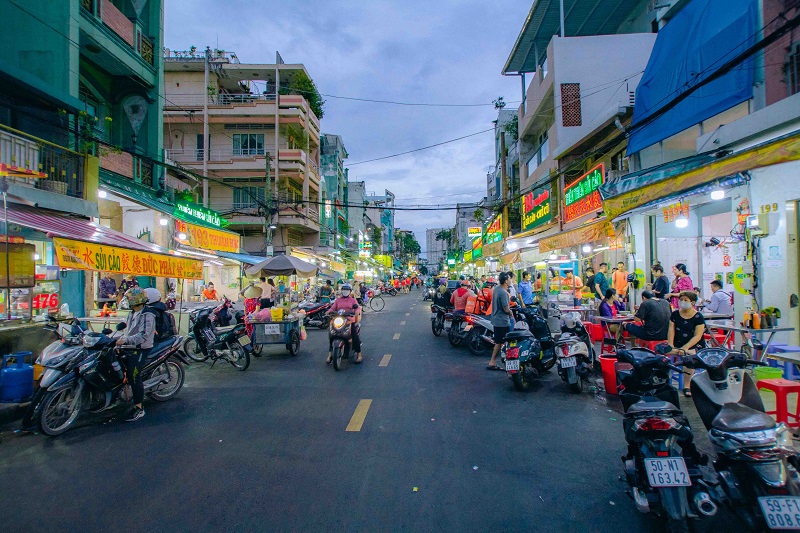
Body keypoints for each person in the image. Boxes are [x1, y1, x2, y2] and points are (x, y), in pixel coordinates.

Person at [116, 287, 155, 422]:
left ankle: (139, 407)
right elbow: (128, 330)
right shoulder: (131, 313)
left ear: (136, 300)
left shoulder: (148, 314)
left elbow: (144, 335)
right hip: (129, 346)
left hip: (141, 348)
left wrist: (126, 340)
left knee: (133, 375)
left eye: (129, 299)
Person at [668, 291, 706, 396]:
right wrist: (670, 345)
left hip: (694, 345)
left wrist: (685, 348)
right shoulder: (675, 314)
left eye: (686, 300)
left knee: (688, 357)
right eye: (681, 300)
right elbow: (671, 330)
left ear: (693, 302)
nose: (682, 302)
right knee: (663, 352)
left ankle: (687, 385)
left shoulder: (698, 317)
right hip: (678, 344)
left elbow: (698, 336)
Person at [325, 283, 362, 364]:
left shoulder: (352, 300)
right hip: (338, 319)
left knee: (354, 336)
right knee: (332, 335)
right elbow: (332, 308)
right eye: (344, 289)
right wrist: (328, 312)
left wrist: (356, 312)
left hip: (349, 320)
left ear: (350, 291)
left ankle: (359, 355)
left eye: (347, 290)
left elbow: (357, 308)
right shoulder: (338, 300)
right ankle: (330, 354)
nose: (345, 291)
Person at [487, 272, 513, 371]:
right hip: (502, 321)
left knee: (499, 342)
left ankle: (495, 361)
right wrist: (511, 313)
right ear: (506, 281)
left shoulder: (497, 289)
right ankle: (497, 362)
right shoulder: (503, 292)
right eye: (510, 279)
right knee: (502, 342)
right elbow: (506, 308)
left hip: (496, 319)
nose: (511, 281)